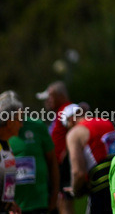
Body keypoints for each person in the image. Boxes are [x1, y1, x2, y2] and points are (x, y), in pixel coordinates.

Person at [63, 103, 115, 214]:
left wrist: (76, 191)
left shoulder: (74, 133)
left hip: (102, 187)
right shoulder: (106, 121)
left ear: (70, 120)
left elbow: (78, 173)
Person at [8, 96, 59, 214]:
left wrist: (54, 194)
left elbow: (52, 161)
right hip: (12, 206)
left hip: (39, 203)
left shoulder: (37, 126)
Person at [36, 81, 74, 214]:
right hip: (56, 167)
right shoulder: (60, 112)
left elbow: (76, 126)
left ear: (60, 95)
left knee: (65, 203)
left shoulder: (68, 109)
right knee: (58, 203)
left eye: (50, 96)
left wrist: (68, 151)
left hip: (63, 168)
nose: (48, 101)